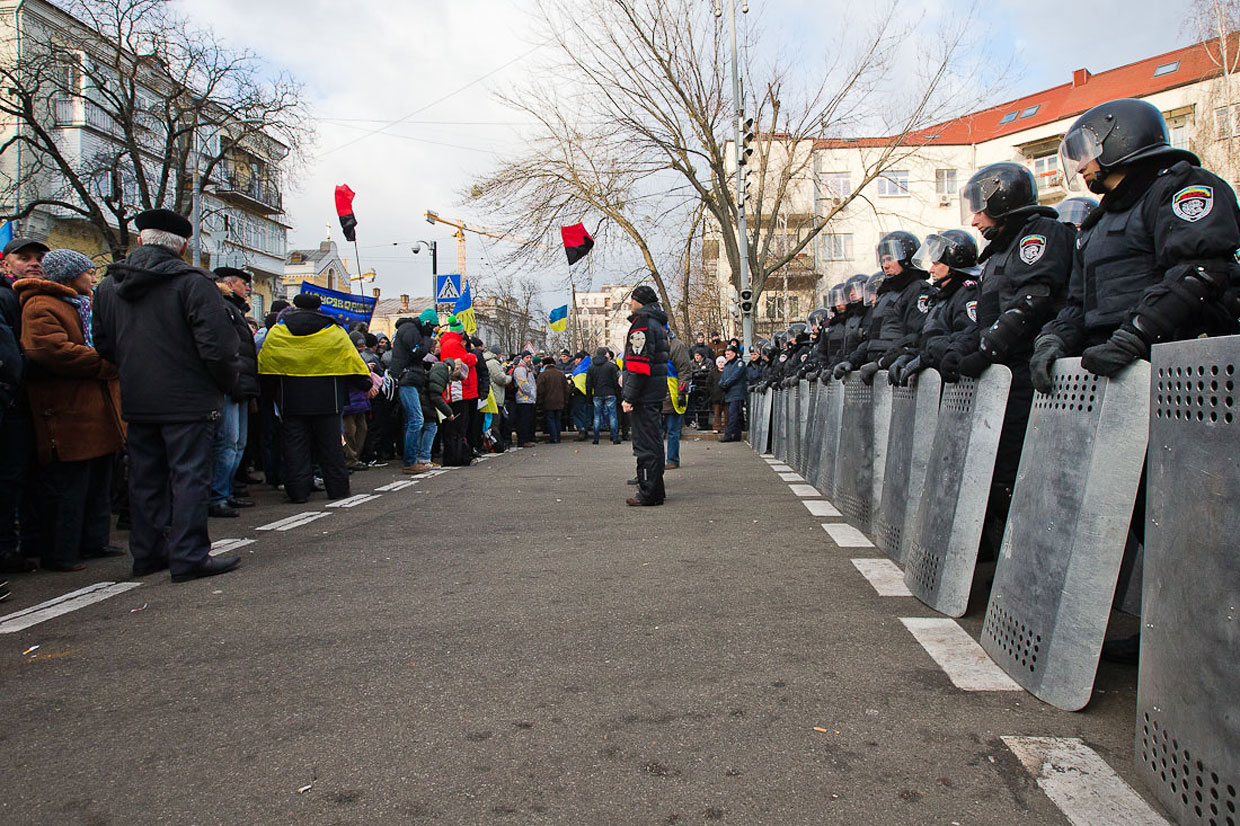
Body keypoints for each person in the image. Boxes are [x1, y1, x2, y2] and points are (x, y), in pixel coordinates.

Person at [1038, 99, 1240, 661]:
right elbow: (1078, 303)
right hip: (1121, 379)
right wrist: (1055, 339)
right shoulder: (1100, 223)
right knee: (1145, 515)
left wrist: (1137, 333)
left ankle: (1209, 647)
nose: (1080, 165)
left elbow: (1202, 271)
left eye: (1086, 151)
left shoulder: (1184, 190)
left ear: (1119, 142)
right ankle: (1171, 636)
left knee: (1194, 519)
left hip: (1184, 379)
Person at [92, 208, 242, 582]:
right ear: (183, 246)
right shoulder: (193, 282)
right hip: (189, 398)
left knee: (145, 477)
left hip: (138, 396)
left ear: (141, 240)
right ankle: (189, 555)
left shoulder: (109, 286)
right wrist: (222, 384)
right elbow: (218, 348)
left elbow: (103, 344)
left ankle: (147, 553)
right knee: (189, 475)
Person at [955, 162, 1075, 558]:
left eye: (980, 208)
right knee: (998, 472)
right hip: (1005, 377)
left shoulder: (1040, 235)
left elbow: (1033, 299)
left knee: (1020, 475)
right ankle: (1007, 565)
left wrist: (987, 351)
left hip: (1029, 375)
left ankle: (1028, 564)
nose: (974, 220)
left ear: (1002, 200)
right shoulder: (999, 253)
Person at [16, 249, 125, 572]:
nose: (93, 278)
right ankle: (60, 552)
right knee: (68, 488)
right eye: (87, 273)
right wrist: (108, 364)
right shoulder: (41, 304)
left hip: (95, 409)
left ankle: (93, 541)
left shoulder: (81, 305)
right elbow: (51, 351)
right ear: (68, 275)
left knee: (97, 482)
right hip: (67, 410)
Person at [257, 292, 372, 503]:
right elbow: (351, 361)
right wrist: (365, 383)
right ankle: (337, 489)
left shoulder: (279, 330)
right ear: (319, 308)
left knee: (295, 448)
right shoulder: (334, 331)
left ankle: (297, 491)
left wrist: (267, 394)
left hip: (292, 399)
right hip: (328, 399)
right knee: (331, 448)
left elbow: (267, 363)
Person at [0, 236, 47, 576]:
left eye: (38, 258)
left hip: (31, 400)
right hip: (12, 400)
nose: (33, 263)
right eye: (24, 257)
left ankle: (28, 541)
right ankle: (6, 548)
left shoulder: (37, 297)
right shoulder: (7, 298)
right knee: (9, 478)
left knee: (27, 476)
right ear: (6, 263)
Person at [887, 230, 982, 385]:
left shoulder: (967, 294)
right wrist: (908, 355)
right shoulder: (942, 298)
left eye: (936, 263)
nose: (931, 270)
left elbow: (966, 338)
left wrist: (925, 358)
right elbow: (928, 339)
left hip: (957, 388)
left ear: (954, 264)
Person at [207, 267, 259, 517]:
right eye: (243, 283)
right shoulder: (222, 308)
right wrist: (233, 381)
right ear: (228, 284)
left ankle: (226, 492)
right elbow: (225, 350)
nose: (247, 288)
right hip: (230, 384)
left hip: (241, 384)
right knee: (227, 443)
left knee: (238, 443)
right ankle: (217, 496)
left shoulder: (235, 309)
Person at [621, 285, 670, 506]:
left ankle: (648, 492)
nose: (630, 303)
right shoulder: (658, 324)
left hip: (644, 394)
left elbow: (638, 366)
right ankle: (656, 490)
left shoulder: (641, 323)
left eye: (632, 299)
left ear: (640, 301)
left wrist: (629, 397)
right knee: (655, 442)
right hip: (654, 392)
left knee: (645, 446)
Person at [388, 308, 438, 472]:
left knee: (413, 420)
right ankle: (410, 461)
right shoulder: (410, 330)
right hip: (407, 378)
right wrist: (426, 340)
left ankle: (412, 458)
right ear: (427, 323)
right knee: (416, 420)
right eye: (432, 327)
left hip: (409, 377)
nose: (432, 332)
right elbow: (417, 351)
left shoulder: (410, 329)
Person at [414, 338, 455, 471]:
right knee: (430, 428)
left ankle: (419, 457)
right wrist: (449, 412)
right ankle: (424, 458)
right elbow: (435, 395)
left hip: (422, 401)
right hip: (426, 403)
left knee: (422, 428)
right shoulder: (442, 371)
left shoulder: (439, 368)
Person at [663, 329, 692, 469]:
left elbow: (684, 371)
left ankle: (672, 460)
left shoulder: (676, 346)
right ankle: (658, 461)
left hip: (673, 395)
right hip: (658, 395)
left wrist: (682, 392)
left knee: (673, 431)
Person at [586, 346, 621, 445]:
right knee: (613, 416)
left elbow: (588, 383)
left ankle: (596, 438)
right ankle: (614, 438)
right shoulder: (611, 366)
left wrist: (589, 396)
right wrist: (619, 395)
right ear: (605, 354)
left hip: (597, 394)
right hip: (610, 393)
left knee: (597, 416)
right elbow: (616, 382)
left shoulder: (591, 367)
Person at [717, 345, 747, 441]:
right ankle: (737, 435)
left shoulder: (739, 364)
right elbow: (723, 377)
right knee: (734, 415)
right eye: (725, 354)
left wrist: (725, 384)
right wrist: (721, 384)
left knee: (733, 414)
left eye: (728, 354)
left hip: (736, 393)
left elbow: (735, 376)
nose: (726, 356)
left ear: (734, 354)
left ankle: (729, 435)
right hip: (729, 393)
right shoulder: (728, 365)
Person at [485, 344, 511, 450]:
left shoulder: (489, 362)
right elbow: (501, 378)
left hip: (493, 395)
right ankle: (495, 444)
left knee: (492, 421)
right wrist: (509, 377)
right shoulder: (493, 363)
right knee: (495, 422)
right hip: (495, 395)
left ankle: (492, 443)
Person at [536, 353, 567, 443]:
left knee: (550, 419)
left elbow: (540, 390)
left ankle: (554, 438)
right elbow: (566, 389)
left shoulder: (543, 375)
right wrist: (565, 400)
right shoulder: (561, 374)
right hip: (560, 401)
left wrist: (540, 401)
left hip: (548, 401)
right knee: (558, 419)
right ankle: (558, 436)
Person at [512, 350, 538, 447]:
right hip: (523, 399)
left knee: (528, 421)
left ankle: (527, 439)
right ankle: (523, 440)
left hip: (529, 399)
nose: (529, 359)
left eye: (530, 357)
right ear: (523, 358)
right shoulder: (520, 369)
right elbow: (523, 384)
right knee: (523, 421)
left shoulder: (528, 368)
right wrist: (530, 393)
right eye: (527, 357)